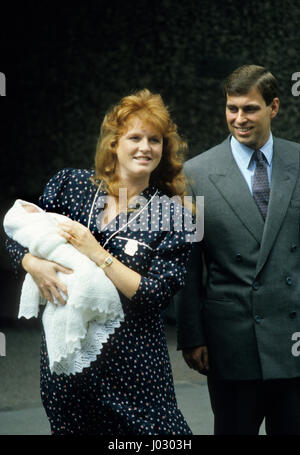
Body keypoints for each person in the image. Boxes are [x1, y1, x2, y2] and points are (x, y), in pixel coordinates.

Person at [5, 88, 193, 435]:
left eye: (154, 140)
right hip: (67, 359)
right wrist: (32, 263)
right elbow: (17, 233)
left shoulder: (173, 216)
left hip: (135, 366)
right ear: (114, 145)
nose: (145, 147)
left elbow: (154, 295)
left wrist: (97, 253)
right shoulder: (70, 186)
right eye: (134, 137)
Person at [176, 64, 300, 435]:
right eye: (232, 108)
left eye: (250, 109)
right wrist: (192, 336)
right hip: (231, 342)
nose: (239, 118)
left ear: (274, 107)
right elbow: (188, 265)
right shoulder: (195, 174)